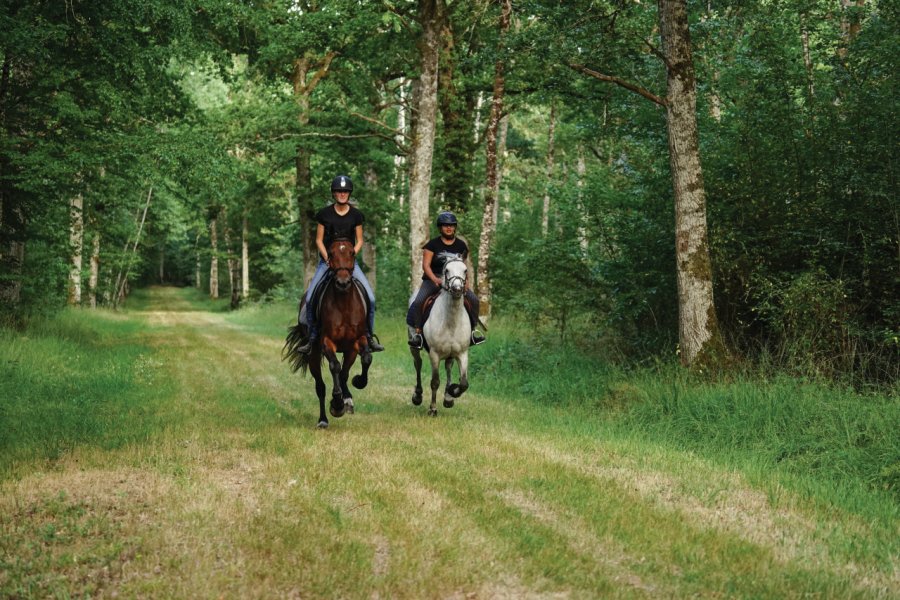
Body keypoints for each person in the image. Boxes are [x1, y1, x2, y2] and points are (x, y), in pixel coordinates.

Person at [297, 174, 384, 353]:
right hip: (327, 263)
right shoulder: (324, 214)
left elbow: (359, 240)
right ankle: (312, 337)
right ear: (334, 193)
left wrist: (351, 255)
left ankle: (369, 337)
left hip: (349, 263)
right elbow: (319, 240)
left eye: (345, 191)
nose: (342, 194)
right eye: (338, 191)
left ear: (349, 194)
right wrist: (327, 257)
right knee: (310, 297)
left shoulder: (356, 215)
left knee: (372, 299)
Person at [407, 211, 486, 348]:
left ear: (455, 227)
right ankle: (418, 334)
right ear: (440, 228)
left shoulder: (461, 246)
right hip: (433, 279)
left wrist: (466, 281)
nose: (449, 228)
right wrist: (434, 279)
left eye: (451, 225)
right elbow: (426, 266)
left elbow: (463, 266)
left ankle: (472, 332)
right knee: (419, 301)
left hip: (456, 280)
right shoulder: (432, 245)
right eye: (445, 225)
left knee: (474, 300)